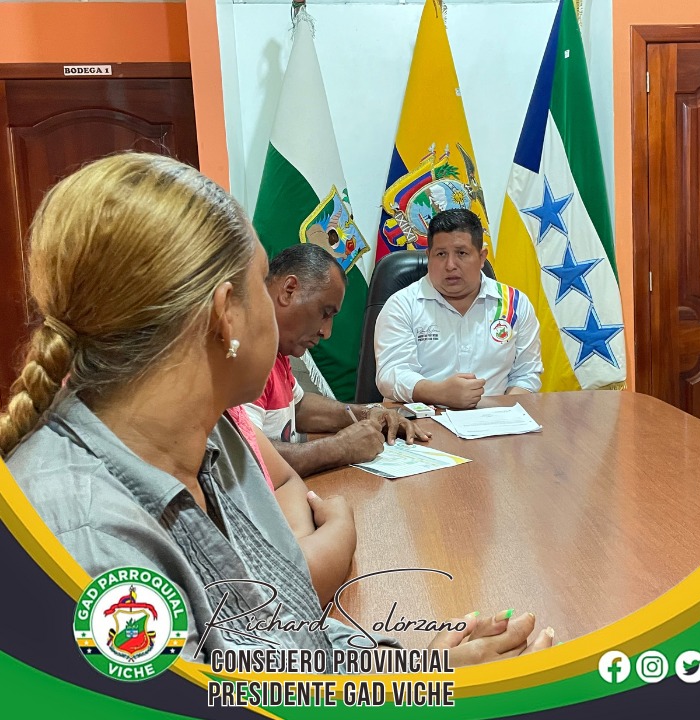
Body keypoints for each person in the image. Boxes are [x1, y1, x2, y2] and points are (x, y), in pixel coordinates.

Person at [1, 153, 553, 665]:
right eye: (260, 287)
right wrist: (426, 695)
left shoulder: (218, 438)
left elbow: (284, 641)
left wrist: (416, 667)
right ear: (227, 316)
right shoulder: (90, 540)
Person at [234, 244, 431, 478]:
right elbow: (245, 456)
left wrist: (366, 413)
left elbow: (298, 406)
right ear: (289, 290)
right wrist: (340, 448)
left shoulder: (275, 348)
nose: (326, 332)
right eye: (325, 313)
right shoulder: (241, 351)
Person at [375, 209, 543, 409]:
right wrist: (440, 393)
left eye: (461, 253)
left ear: (482, 257)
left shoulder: (515, 304)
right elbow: (391, 375)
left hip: (496, 418)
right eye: (441, 254)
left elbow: (526, 374)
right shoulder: (402, 305)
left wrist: (505, 413)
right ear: (428, 256)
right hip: (423, 419)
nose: (450, 265)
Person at [230, 405, 355, 608]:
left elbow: (284, 481)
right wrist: (339, 523)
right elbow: (289, 588)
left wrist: (300, 545)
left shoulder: (232, 415)